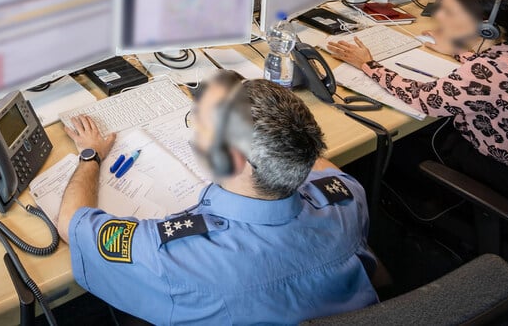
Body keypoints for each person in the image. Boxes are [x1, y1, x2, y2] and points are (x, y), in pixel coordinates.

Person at [58, 74, 378, 324]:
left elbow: (72, 222)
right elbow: (318, 162)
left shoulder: (173, 256)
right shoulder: (347, 199)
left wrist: (90, 155)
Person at [328, 0, 508, 200]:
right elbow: (495, 80)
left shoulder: (488, 71)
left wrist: (367, 64)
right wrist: (458, 51)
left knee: (390, 146)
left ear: (486, 28)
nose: (438, 16)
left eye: (450, 13)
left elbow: (424, 99)